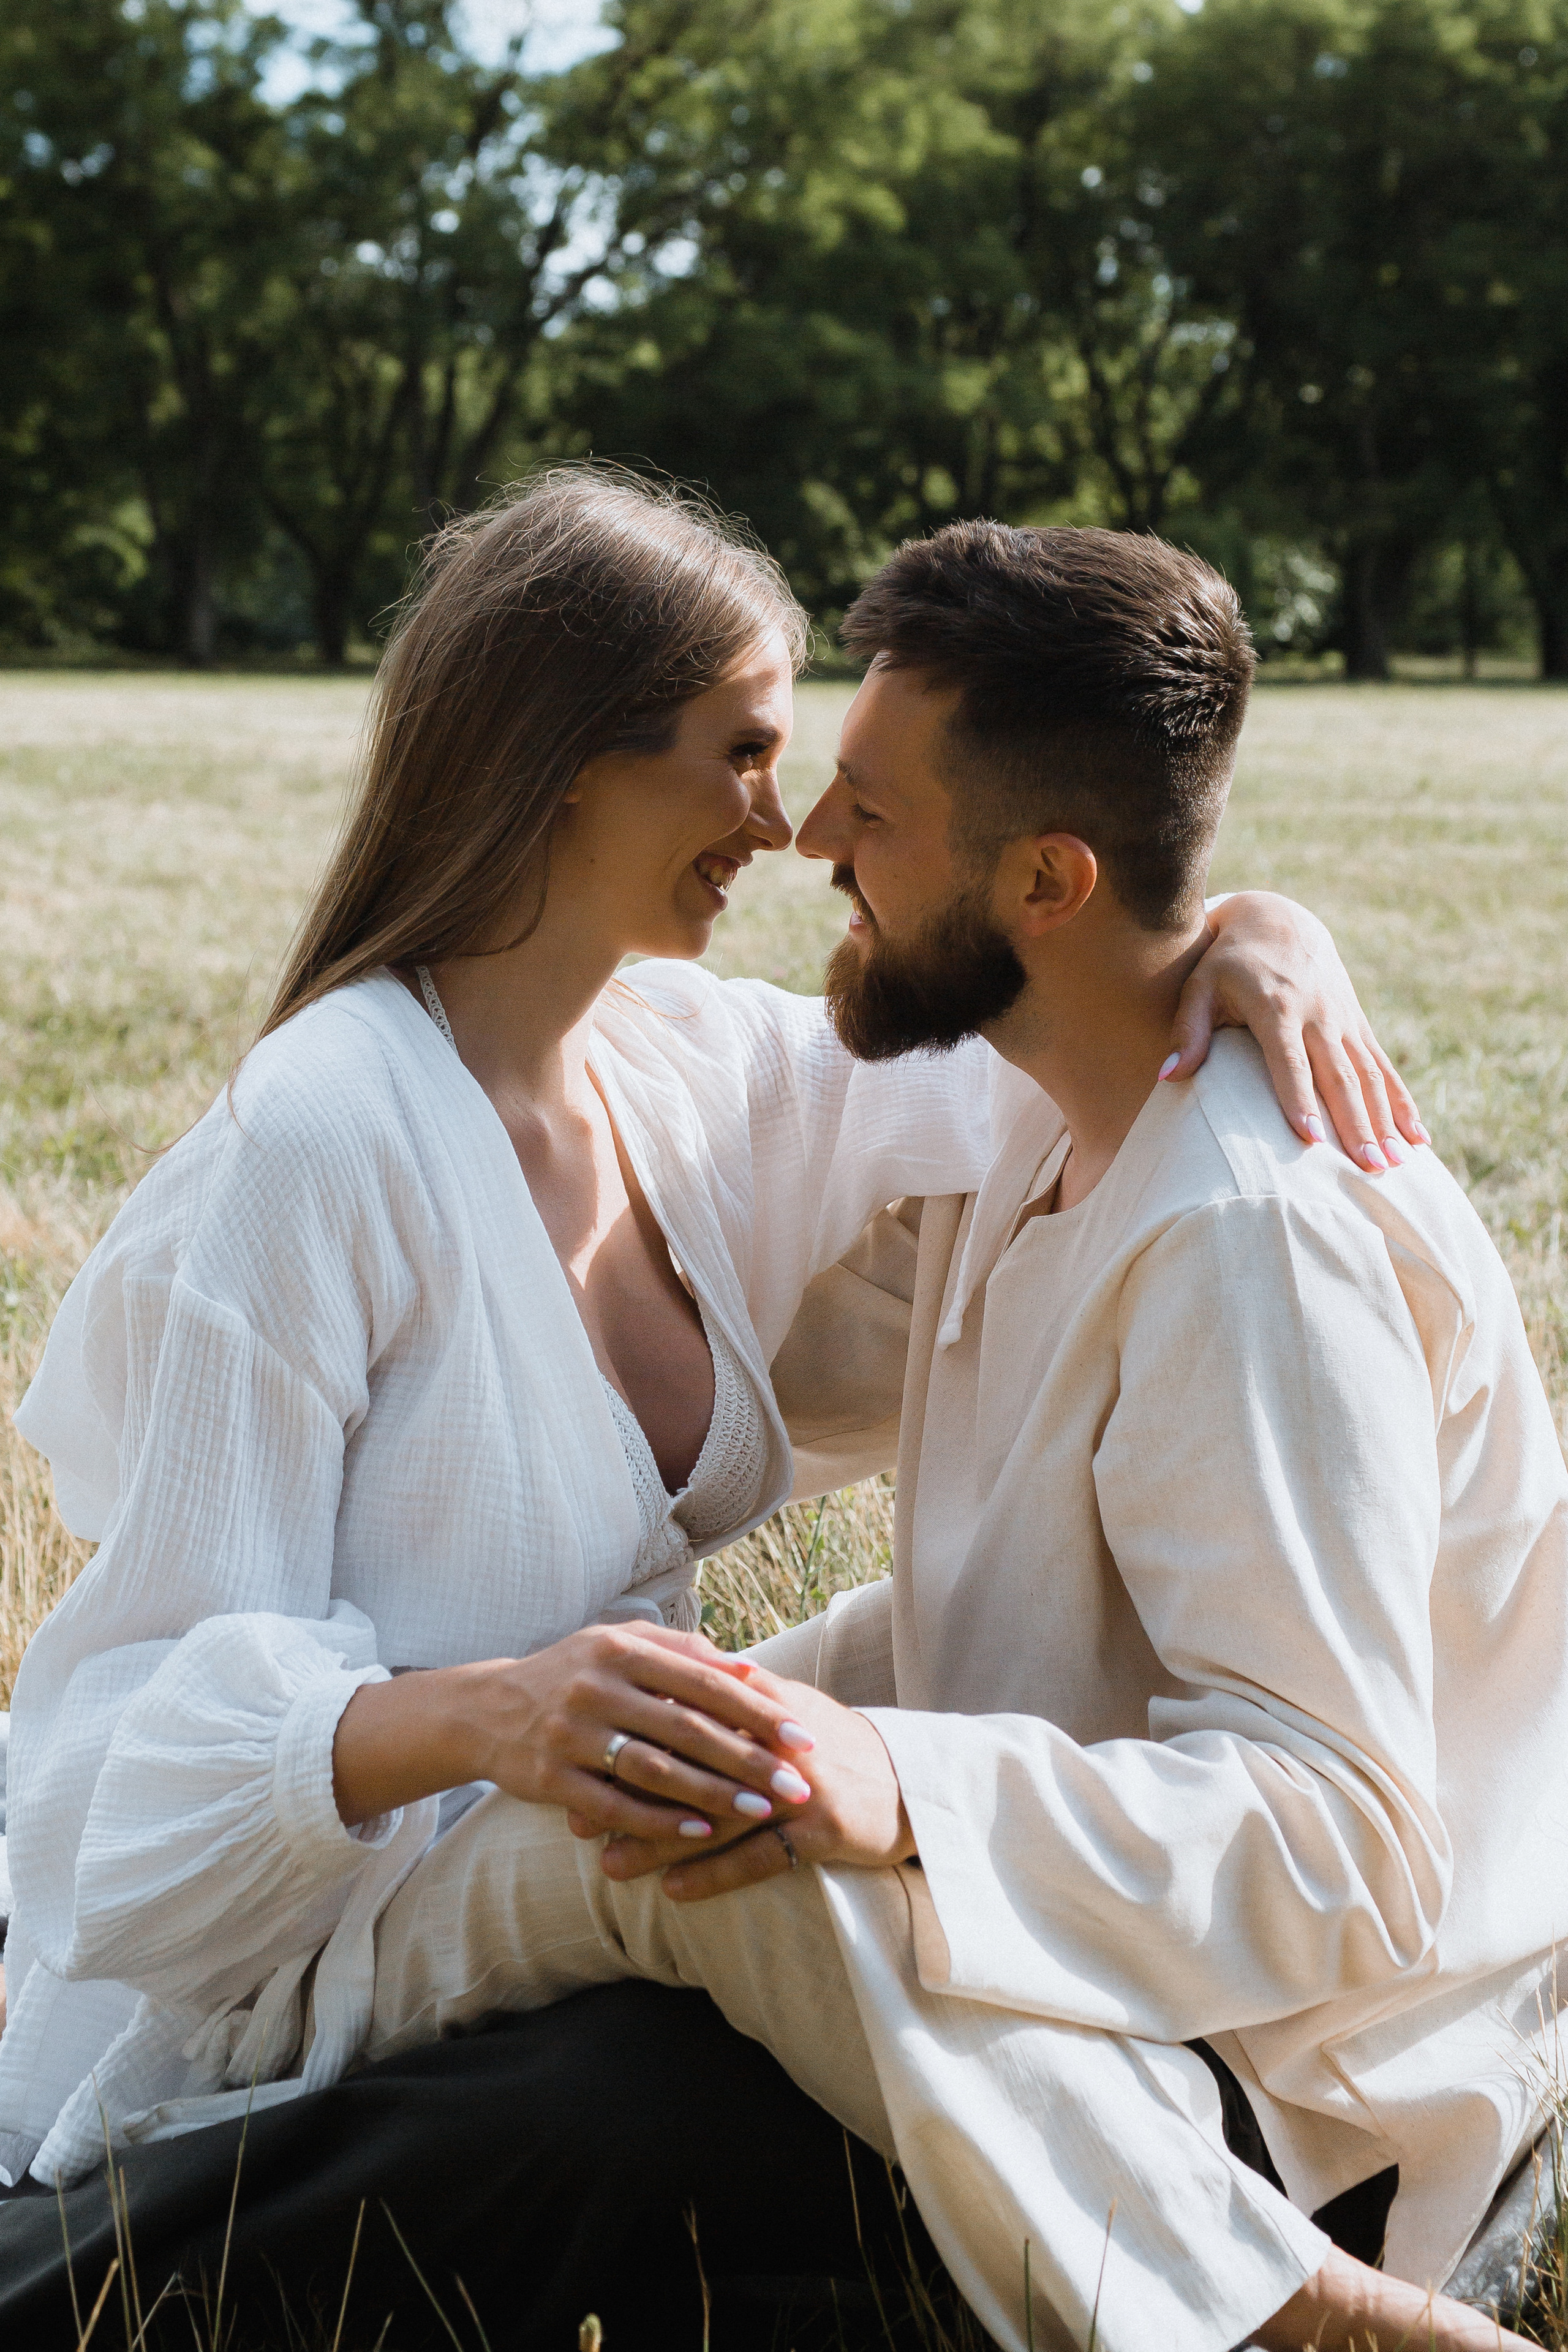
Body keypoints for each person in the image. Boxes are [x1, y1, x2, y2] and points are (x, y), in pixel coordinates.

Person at [1, 472, 1414, 2332]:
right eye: (747, 751)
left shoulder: (676, 1071)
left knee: (922, 1680)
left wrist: (1251, 928)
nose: (796, 819)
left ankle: (1301, 2116)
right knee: (721, 1807)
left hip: (559, 1809)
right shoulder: (324, 1134)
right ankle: (1293, 2307)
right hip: (304, 1935)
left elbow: (1059, 1031)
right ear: (565, 761)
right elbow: (119, 1780)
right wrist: (493, 1718)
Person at [334, 524, 1560, 2352]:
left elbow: (1341, 1850)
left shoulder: (1252, 1243)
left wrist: (894, 1790)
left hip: (1293, 2095)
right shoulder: (1029, 1127)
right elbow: (842, 1444)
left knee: (559, 2115)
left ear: (1049, 881)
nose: (810, 843)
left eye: (873, 814)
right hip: (1082, 1980)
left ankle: (1323, 2316)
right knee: (569, 1971)